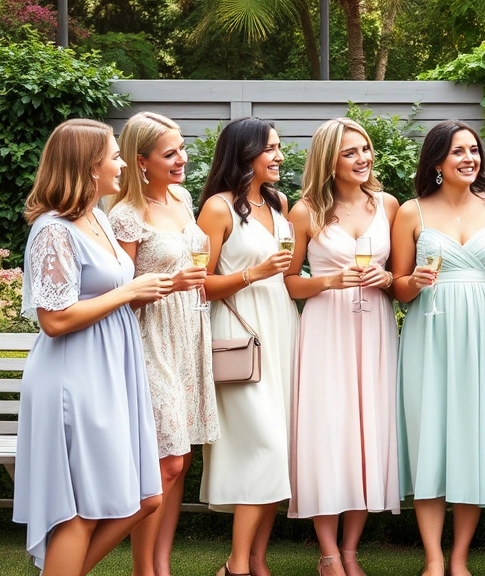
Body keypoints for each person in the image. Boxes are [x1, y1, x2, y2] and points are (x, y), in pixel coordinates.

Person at [13, 118, 173, 575]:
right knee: (79, 510)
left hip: (111, 371)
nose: (123, 164)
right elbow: (55, 319)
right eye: (115, 155)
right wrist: (129, 292)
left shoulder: (98, 217)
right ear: (88, 166)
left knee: (145, 498)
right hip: (73, 379)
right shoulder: (53, 231)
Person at [390, 120, 485, 576]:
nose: (469, 159)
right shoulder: (411, 212)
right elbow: (398, 289)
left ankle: (460, 559)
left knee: (472, 438)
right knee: (431, 438)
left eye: (474, 151)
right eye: (459, 152)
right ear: (438, 161)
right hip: (430, 332)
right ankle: (433, 559)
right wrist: (414, 282)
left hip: (484, 335)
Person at [285, 118, 401, 576]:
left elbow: (401, 277)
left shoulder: (388, 205)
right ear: (328, 159)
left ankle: (352, 550)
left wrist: (387, 277)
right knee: (327, 435)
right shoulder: (305, 211)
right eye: (350, 152)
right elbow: (291, 284)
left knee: (367, 434)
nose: (362, 159)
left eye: (365, 149)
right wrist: (329, 280)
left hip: (373, 329)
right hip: (325, 331)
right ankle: (328, 552)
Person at [109, 111, 219, 576]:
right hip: (149, 339)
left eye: (182, 149)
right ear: (140, 160)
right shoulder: (124, 215)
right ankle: (141, 570)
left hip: (189, 334)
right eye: (169, 153)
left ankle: (162, 566)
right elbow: (118, 295)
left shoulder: (182, 197)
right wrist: (172, 284)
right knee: (166, 462)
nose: (181, 159)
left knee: (183, 456)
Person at [196, 117, 300, 576]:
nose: (279, 156)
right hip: (240, 335)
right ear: (245, 154)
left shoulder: (278, 202)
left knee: (281, 452)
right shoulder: (217, 209)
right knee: (266, 446)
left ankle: (258, 562)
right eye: (270, 149)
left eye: (279, 148)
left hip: (281, 328)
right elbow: (198, 285)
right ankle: (235, 565)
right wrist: (252, 274)